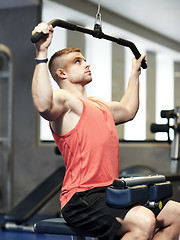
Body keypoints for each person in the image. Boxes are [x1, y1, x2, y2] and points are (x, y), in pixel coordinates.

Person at [31, 22, 180, 240]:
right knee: (143, 221)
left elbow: (128, 110)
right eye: (77, 61)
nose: (86, 63)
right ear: (61, 73)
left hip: (111, 192)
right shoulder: (64, 101)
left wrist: (135, 73)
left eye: (84, 59)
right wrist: (41, 52)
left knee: (176, 213)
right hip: (81, 198)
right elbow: (44, 105)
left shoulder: (99, 105)